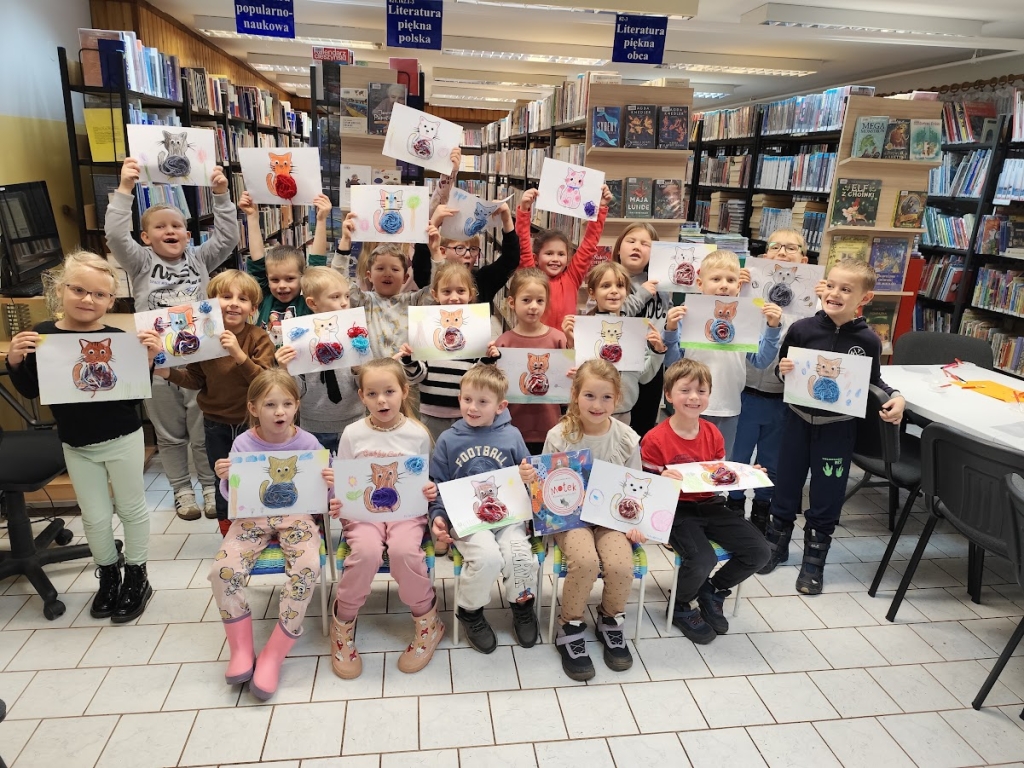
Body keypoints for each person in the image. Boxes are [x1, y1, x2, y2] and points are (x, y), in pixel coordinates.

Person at [6, 251, 162, 622]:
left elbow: (132, 396)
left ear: (110, 301)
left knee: (131, 509)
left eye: (99, 294)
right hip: (76, 443)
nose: (88, 299)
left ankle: (136, 575)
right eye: (79, 290)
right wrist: (14, 361)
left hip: (122, 437)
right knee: (93, 516)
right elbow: (31, 390)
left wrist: (147, 362)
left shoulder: (117, 339)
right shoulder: (43, 336)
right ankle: (108, 574)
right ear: (60, 290)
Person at [760, 257, 905, 594]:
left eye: (846, 289)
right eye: (831, 285)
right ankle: (776, 544)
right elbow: (781, 370)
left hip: (838, 429)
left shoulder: (869, 340)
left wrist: (896, 398)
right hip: (796, 422)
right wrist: (783, 370)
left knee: (828, 492)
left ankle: (814, 559)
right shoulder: (802, 329)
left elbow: (874, 381)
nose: (835, 293)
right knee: (786, 483)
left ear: (865, 298)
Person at [105, 157, 236, 521]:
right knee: (169, 433)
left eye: (177, 225)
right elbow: (115, 236)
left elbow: (227, 237)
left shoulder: (200, 258)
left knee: (201, 429)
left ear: (188, 235)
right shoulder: (140, 262)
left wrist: (221, 195)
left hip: (200, 360)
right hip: (156, 362)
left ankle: (208, 486)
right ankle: (181, 490)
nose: (170, 231)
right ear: (145, 237)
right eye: (160, 227)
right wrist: (125, 189)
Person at [211, 369, 340, 700]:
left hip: (298, 517)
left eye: (287, 404)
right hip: (252, 517)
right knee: (222, 569)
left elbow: (324, 499)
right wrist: (225, 477)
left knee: (307, 567)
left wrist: (330, 483)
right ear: (253, 408)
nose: (279, 412)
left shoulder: (308, 443)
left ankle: (274, 653)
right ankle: (241, 649)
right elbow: (234, 496)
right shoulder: (243, 443)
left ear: (297, 405)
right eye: (270, 405)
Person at [521, 360, 644, 681]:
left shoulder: (627, 438)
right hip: (569, 518)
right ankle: (570, 625)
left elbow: (636, 487)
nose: (597, 404)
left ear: (617, 399)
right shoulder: (559, 436)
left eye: (606, 397)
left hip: (610, 519)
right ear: (575, 395)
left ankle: (610, 619)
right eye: (589, 395)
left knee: (621, 566)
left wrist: (637, 524)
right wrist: (531, 478)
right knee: (586, 562)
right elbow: (545, 487)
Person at [641, 359, 771, 644]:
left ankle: (712, 590)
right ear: (668, 395)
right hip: (676, 510)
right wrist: (661, 478)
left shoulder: (712, 433)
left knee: (760, 552)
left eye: (701, 391)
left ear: (709, 395)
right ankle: (680, 605)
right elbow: (644, 488)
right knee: (703, 558)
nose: (693, 397)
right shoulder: (654, 439)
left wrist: (746, 474)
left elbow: (718, 474)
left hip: (711, 506)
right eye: (685, 390)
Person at [331, 358, 443, 678]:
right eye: (372, 393)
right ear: (362, 396)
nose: (382, 400)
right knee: (366, 552)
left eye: (389, 392)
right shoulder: (352, 434)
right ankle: (343, 624)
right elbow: (344, 481)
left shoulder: (417, 434)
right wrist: (337, 500)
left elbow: (428, 478)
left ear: (404, 391)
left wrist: (430, 489)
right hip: (362, 514)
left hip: (405, 513)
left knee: (404, 551)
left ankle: (428, 622)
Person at [430, 364, 539, 653]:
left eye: (482, 401)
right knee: (487, 557)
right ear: (459, 399)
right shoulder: (448, 439)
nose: (472, 407)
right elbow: (438, 483)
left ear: (500, 406)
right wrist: (438, 516)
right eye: (467, 399)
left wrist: (528, 476)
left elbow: (529, 474)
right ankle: (470, 611)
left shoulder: (512, 436)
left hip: (508, 518)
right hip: (466, 520)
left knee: (519, 555)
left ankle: (522, 605)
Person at [156, 270, 275, 533]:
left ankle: (262, 528)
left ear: (253, 308)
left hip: (253, 424)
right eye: (226, 296)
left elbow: (265, 382)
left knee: (256, 476)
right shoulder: (204, 338)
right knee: (223, 477)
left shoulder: (258, 337)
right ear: (210, 303)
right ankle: (228, 531)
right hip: (215, 424)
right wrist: (168, 373)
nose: (234, 303)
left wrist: (238, 354)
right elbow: (195, 379)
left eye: (243, 299)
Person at [661, 250, 783, 457]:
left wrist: (772, 328)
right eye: (716, 279)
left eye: (731, 280)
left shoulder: (745, 318)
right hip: (690, 404)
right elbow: (673, 362)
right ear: (700, 284)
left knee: (720, 461)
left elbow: (761, 361)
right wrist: (670, 330)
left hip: (728, 406)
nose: (724, 285)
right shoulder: (686, 313)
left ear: (739, 286)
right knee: (687, 458)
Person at [728, 229, 811, 532]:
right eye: (775, 247)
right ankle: (734, 505)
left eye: (791, 248)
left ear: (804, 260)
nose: (782, 252)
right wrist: (735, 289)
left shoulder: (812, 303)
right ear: (764, 256)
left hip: (782, 398)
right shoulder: (746, 290)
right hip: (743, 391)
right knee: (737, 456)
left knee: (772, 460)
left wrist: (823, 299)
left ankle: (763, 509)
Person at [399, 262, 499, 442]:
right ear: (434, 294)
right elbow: (417, 377)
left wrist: (488, 359)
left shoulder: (477, 330)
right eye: (446, 291)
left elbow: (477, 377)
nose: (454, 297)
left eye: (461, 291)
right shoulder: (426, 329)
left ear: (471, 294)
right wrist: (409, 360)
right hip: (431, 413)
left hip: (467, 414)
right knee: (434, 455)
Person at [562, 262, 666, 425]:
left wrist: (657, 352)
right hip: (586, 412)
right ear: (592, 292)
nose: (614, 291)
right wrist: (570, 343)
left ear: (626, 291)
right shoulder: (583, 329)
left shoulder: (633, 331)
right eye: (605, 286)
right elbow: (569, 377)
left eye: (620, 286)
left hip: (622, 414)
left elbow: (644, 377)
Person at [275, 267, 363, 456]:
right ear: (312, 303)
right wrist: (285, 369)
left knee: (352, 472)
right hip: (313, 426)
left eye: (347, 296)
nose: (344, 302)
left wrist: (359, 369)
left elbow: (366, 386)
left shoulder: (355, 332)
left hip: (354, 422)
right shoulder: (298, 337)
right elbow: (296, 391)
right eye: (335, 297)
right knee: (319, 472)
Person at [491, 268, 569, 454]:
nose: (533, 306)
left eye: (540, 301)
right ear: (512, 302)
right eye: (526, 300)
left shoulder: (558, 339)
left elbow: (567, 387)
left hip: (551, 428)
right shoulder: (504, 342)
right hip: (512, 429)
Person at [242, 192, 333, 348]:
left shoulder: (308, 301)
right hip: (264, 362)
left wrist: (321, 220)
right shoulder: (265, 297)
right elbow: (257, 263)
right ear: (267, 279)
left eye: (290, 279)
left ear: (302, 277)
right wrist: (252, 217)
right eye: (274, 280)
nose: (282, 285)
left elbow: (317, 265)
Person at [515, 185, 612, 330]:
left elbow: (589, 244)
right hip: (535, 341)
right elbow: (523, 245)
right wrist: (524, 210)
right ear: (535, 258)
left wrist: (601, 207)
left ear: (568, 259)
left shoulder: (572, 277)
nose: (555, 259)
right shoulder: (530, 277)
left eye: (561, 254)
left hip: (566, 341)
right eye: (549, 253)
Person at [616, 222, 672, 435]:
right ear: (618, 249)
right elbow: (609, 317)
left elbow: (665, 317)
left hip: (653, 363)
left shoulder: (662, 285)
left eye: (645, 244)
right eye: (631, 241)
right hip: (621, 367)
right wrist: (642, 294)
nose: (637, 247)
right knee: (618, 425)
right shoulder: (610, 280)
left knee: (645, 425)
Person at [414, 201, 520, 307]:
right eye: (460, 248)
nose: (468, 254)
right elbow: (420, 262)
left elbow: (510, 260)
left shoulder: (482, 280)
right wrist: (433, 223)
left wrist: (506, 219)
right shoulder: (431, 277)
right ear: (442, 251)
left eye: (473, 249)